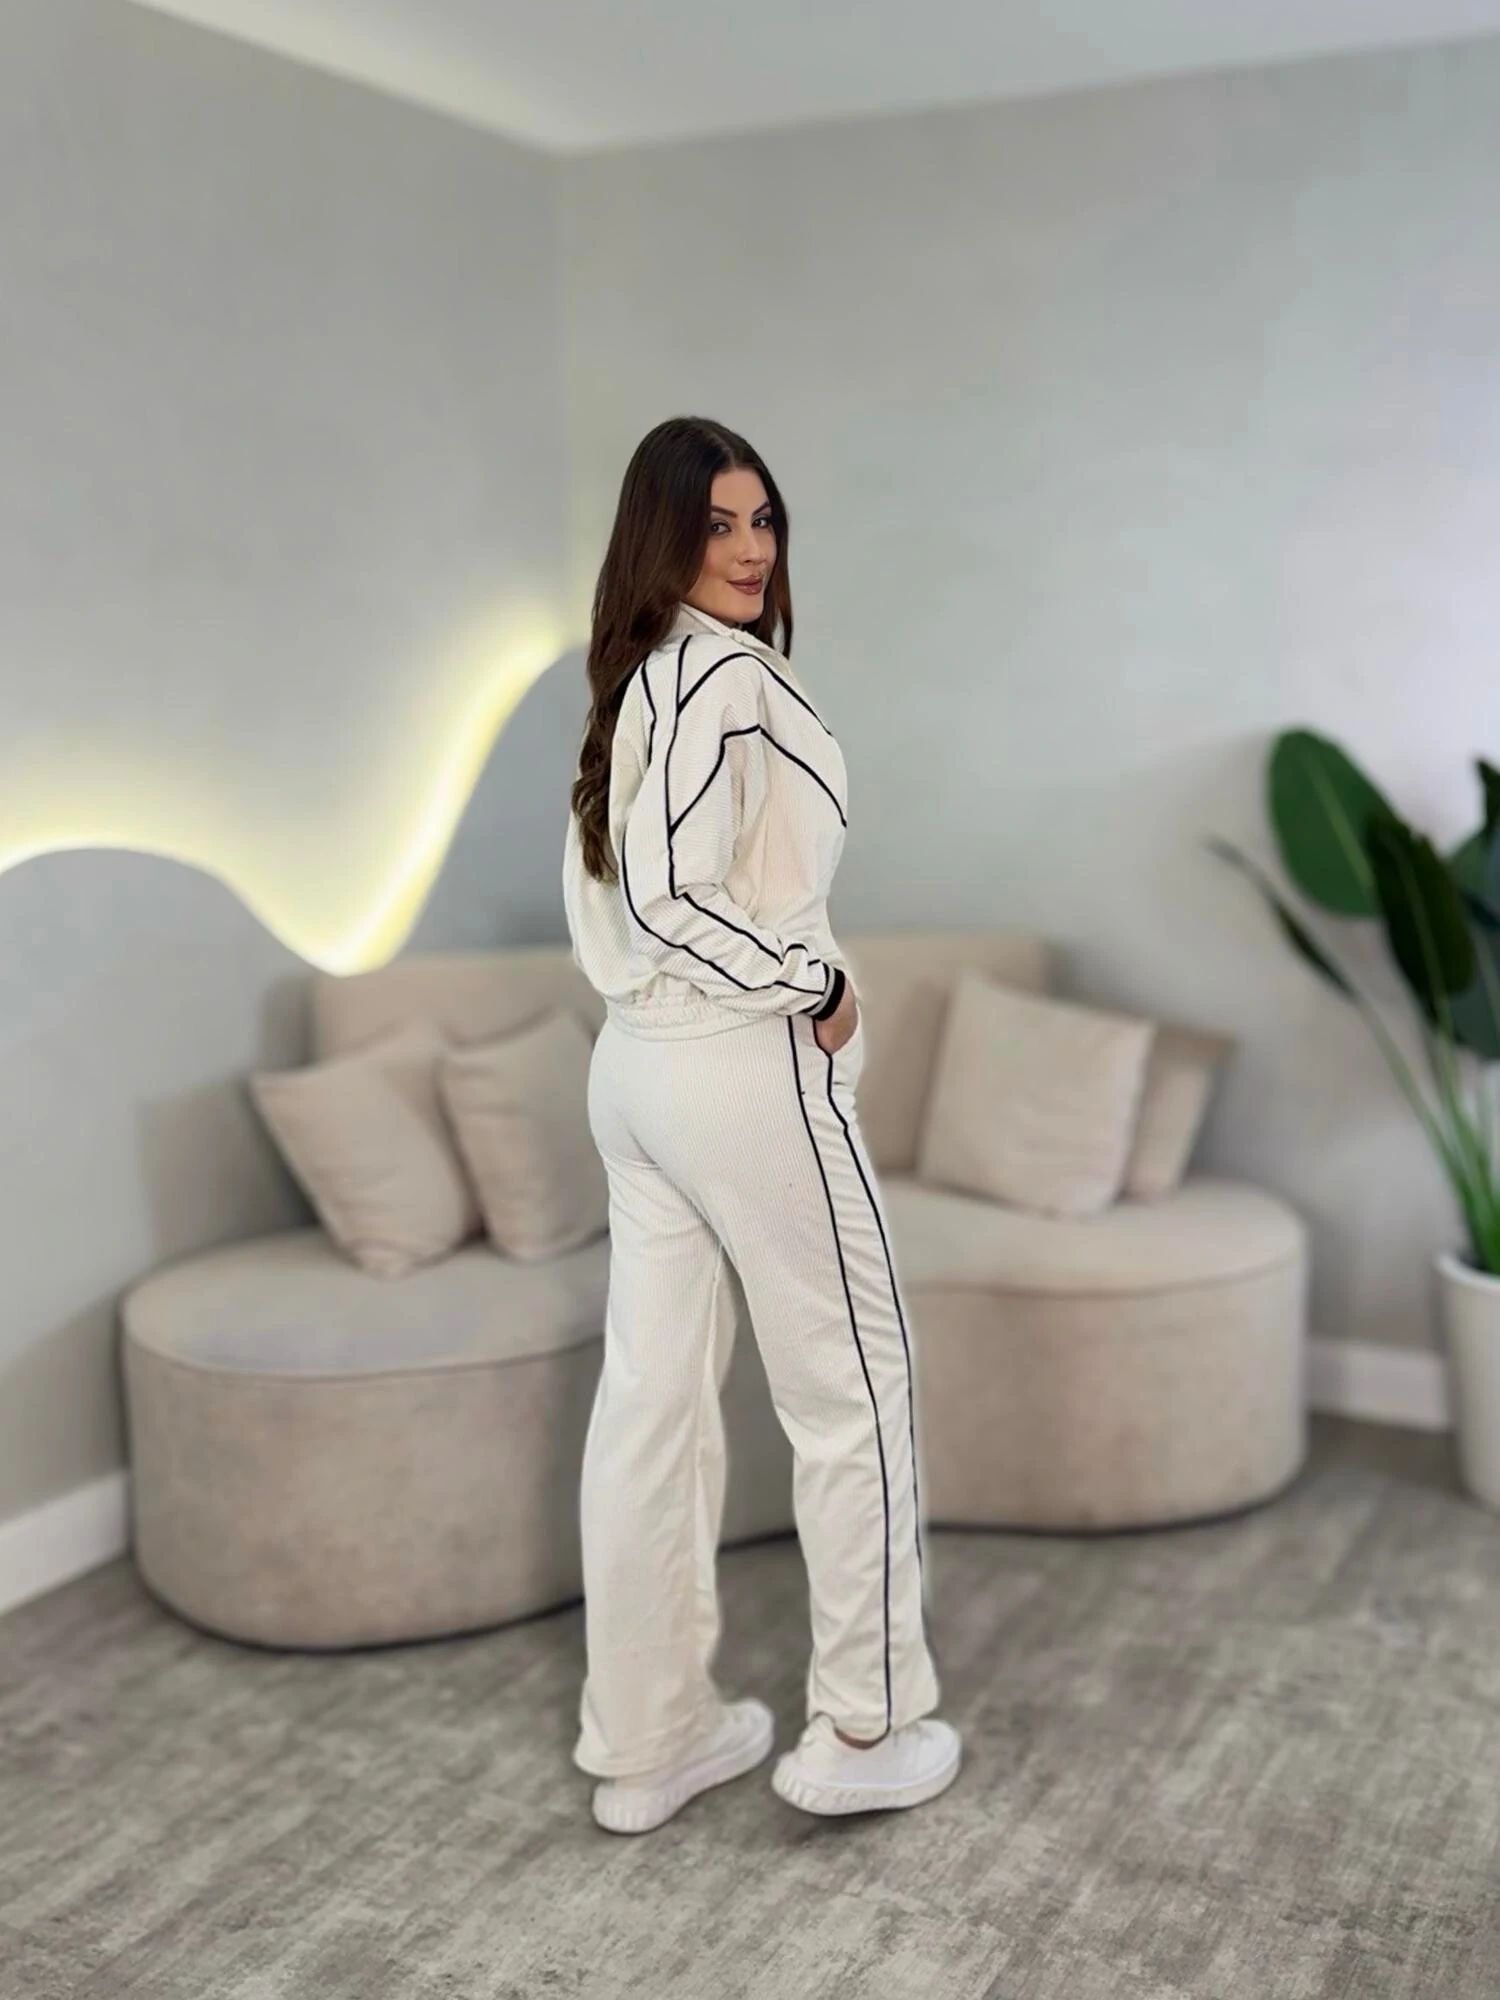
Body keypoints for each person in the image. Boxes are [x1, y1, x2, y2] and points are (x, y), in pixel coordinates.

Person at [561, 414, 959, 1834]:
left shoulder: (635, 686)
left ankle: (649, 1739)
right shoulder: (728, 679)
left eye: (762, 519)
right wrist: (818, 984)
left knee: (650, 1408)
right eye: (715, 525)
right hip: (742, 1070)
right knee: (854, 1392)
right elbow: (672, 895)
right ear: (661, 540)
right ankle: (868, 1723)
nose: (748, 550)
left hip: (635, 1076)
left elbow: (633, 900)